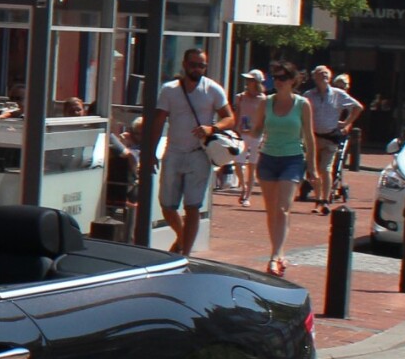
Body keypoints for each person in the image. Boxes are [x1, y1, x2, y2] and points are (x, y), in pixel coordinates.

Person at [131, 46, 236, 258]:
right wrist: (149, 152)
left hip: (198, 154)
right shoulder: (170, 89)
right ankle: (182, 238)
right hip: (174, 152)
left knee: (192, 207)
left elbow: (230, 118)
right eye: (193, 64)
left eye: (201, 65)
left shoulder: (212, 89)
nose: (197, 69)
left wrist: (212, 128)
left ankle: (185, 254)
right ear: (184, 65)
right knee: (167, 206)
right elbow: (159, 121)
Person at [252, 59, 324, 278]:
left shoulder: (302, 104)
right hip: (268, 158)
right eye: (275, 78)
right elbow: (256, 130)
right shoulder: (267, 102)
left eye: (283, 78)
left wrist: (312, 168)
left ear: (293, 81)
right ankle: (279, 252)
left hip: (292, 159)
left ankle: (274, 256)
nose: (279, 82)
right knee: (272, 210)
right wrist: (244, 128)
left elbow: (309, 138)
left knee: (283, 208)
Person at [302, 64, 363, 213]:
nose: (324, 75)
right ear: (314, 77)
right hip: (313, 138)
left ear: (330, 77)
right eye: (320, 73)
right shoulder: (308, 95)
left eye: (326, 73)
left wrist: (346, 123)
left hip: (330, 138)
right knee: (313, 171)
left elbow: (358, 107)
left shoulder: (338, 94)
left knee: (326, 169)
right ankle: (318, 199)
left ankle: (325, 200)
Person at [228, 69, 269, 206]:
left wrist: (264, 133)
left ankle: (247, 195)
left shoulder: (264, 99)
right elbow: (237, 113)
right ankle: (243, 186)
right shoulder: (240, 97)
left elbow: (265, 118)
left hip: (257, 134)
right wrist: (235, 129)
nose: (247, 83)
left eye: (251, 80)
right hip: (242, 133)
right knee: (238, 161)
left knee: (252, 165)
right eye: (247, 80)